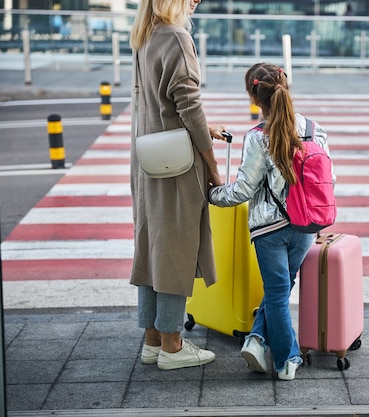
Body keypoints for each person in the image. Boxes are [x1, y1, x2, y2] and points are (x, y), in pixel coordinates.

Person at [209, 63, 334, 381]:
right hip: (306, 226)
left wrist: (210, 194)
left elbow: (242, 191)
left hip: (270, 230)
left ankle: (286, 360)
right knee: (281, 289)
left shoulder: (257, 138)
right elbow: (328, 178)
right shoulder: (313, 129)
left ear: (254, 97)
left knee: (277, 293)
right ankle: (256, 339)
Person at [129, 0, 228, 371]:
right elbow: (188, 105)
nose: (196, 2)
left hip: (147, 158)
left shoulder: (145, 35)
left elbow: (161, 104)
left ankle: (153, 339)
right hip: (176, 163)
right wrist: (212, 163)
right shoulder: (176, 36)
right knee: (175, 249)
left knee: (153, 244)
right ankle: (173, 345)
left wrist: (208, 126)